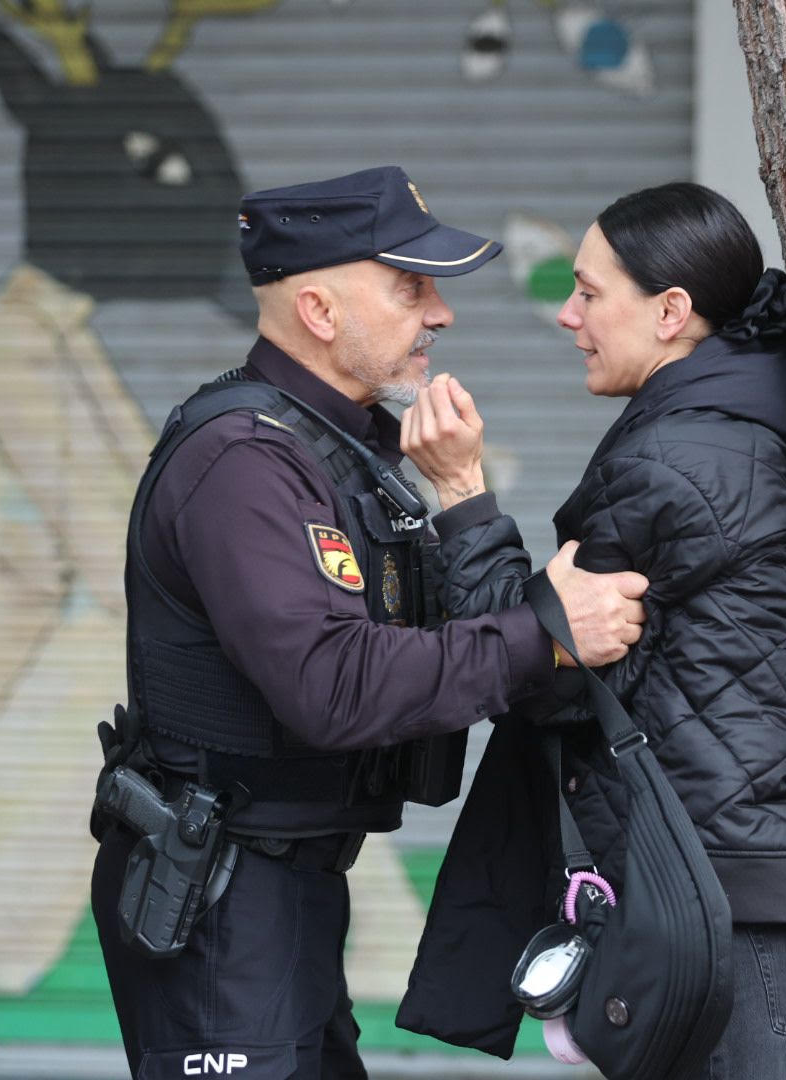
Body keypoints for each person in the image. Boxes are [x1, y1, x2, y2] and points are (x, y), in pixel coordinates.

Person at [89, 165, 650, 1080]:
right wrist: (544, 632)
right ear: (318, 310)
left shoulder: (341, 450)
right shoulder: (243, 464)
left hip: (285, 881)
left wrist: (472, 507)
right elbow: (332, 686)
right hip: (221, 889)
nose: (441, 313)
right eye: (410, 287)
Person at [396, 182, 786, 1078]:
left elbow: (544, 671)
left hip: (721, 915)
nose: (569, 316)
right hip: (753, 904)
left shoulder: (676, 456)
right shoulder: (742, 429)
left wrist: (460, 494)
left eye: (589, 292)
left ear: (671, 312)